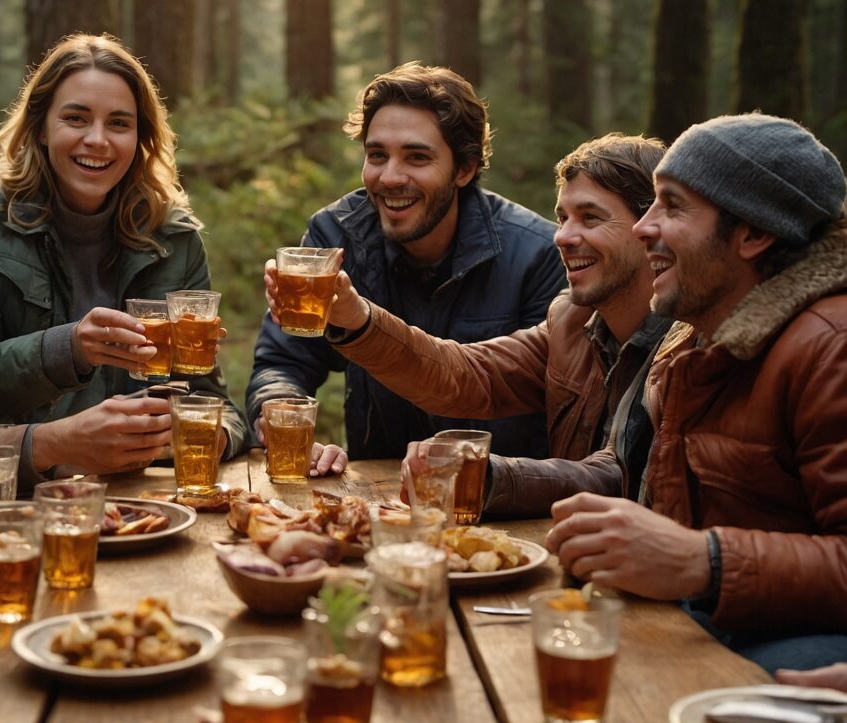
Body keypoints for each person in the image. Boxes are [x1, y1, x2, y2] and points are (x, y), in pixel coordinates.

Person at [547, 113, 847, 674]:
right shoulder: (699, 336)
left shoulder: (830, 346)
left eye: (672, 205)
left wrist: (703, 561)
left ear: (753, 233)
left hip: (802, 655)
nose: (643, 227)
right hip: (712, 619)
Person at [0, 33, 247, 477]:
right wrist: (70, 348)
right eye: (76, 118)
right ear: (40, 126)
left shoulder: (173, 236)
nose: (98, 140)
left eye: (118, 123)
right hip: (10, 482)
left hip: (131, 494)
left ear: (140, 137)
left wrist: (205, 433)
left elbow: (210, 400)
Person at [297, 134, 671, 516]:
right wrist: (357, 319)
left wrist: (484, 474)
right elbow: (466, 373)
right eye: (562, 218)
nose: (563, 237)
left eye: (590, 218)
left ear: (652, 230)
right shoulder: (572, 320)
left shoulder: (688, 339)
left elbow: (619, 475)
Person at [247, 62, 565, 462]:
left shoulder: (536, 255)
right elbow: (283, 361)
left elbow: (558, 407)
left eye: (416, 158)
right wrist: (282, 415)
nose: (390, 177)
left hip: (496, 502)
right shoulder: (338, 236)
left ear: (464, 169)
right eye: (377, 155)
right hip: (376, 503)